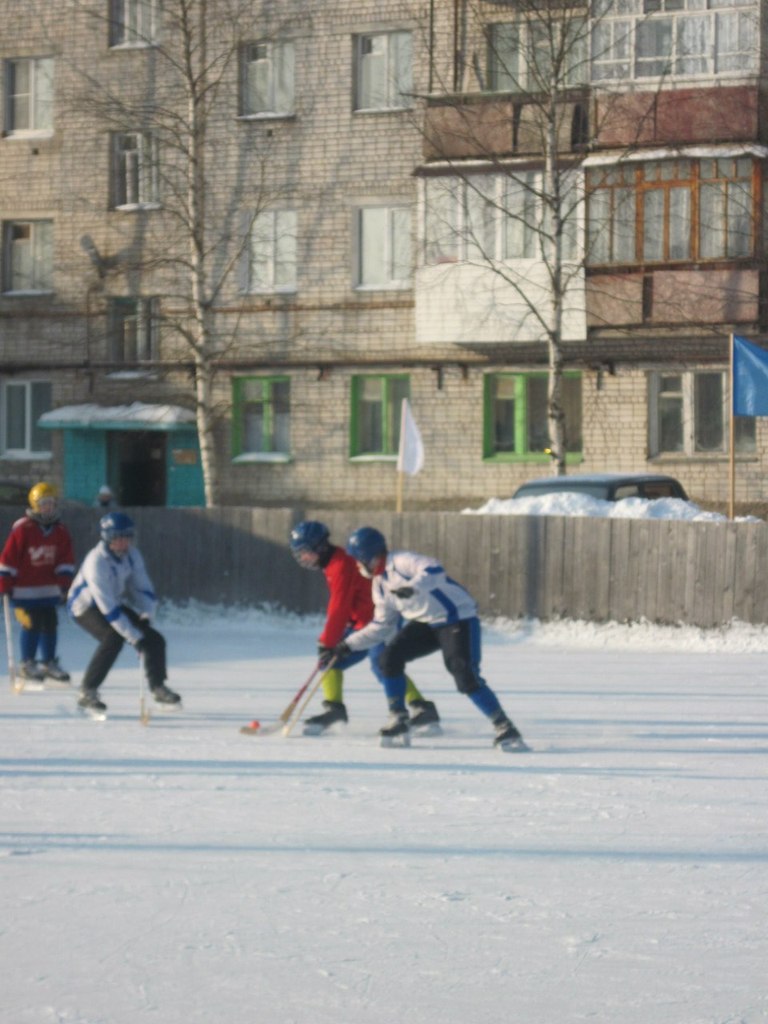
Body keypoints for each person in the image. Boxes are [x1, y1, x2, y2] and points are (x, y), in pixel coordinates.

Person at [321, 527, 528, 751]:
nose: (357, 566)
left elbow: (434, 569)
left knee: (463, 673)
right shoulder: (379, 585)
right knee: (388, 658)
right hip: (425, 624)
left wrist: (412, 587)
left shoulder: (401, 561)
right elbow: (382, 625)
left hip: (456, 618)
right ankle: (398, 718)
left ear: (370, 556)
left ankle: (504, 726)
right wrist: (346, 645)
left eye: (358, 560)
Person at [289, 521, 440, 735]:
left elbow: (338, 605)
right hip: (361, 622)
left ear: (319, 547)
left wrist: (328, 640)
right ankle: (334, 709)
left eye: (305, 552)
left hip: (379, 620)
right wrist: (332, 642)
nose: (303, 558)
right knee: (331, 662)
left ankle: (421, 707)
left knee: (383, 665)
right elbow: (348, 603)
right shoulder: (331, 563)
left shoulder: (340, 565)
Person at [67, 512, 181, 716]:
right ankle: (87, 691)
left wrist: (146, 614)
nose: (124, 542)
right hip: (85, 607)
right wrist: (133, 636)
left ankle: (158, 687)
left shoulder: (132, 555)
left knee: (154, 639)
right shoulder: (96, 562)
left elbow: (143, 588)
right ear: (108, 538)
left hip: (112, 603)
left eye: (128, 537)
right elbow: (107, 608)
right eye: (120, 537)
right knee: (113, 639)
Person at [0, 482, 75, 683]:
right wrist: (5, 581)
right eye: (43, 503)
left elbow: (65, 558)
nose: (47, 507)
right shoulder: (23, 528)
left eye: (50, 503)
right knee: (31, 624)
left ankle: (49, 662)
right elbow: (9, 557)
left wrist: (64, 582)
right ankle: (27, 663)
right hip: (24, 590)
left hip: (48, 589)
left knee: (50, 623)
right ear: (34, 505)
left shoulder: (60, 530)